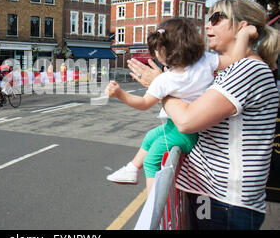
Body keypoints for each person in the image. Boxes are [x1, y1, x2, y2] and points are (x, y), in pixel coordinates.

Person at [128, 0, 280, 230]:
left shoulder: (248, 69)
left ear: (242, 26)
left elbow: (188, 121)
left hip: (227, 203)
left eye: (216, 18)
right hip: (214, 196)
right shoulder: (233, 68)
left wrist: (160, 85)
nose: (207, 26)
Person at [106, 17, 254, 192]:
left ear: (163, 50)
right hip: (195, 125)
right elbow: (236, 58)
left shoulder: (165, 79)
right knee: (151, 137)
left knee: (151, 160)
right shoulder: (206, 60)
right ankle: (131, 168)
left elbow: (144, 103)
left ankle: (153, 203)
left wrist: (120, 94)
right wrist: (245, 35)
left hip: (183, 129)